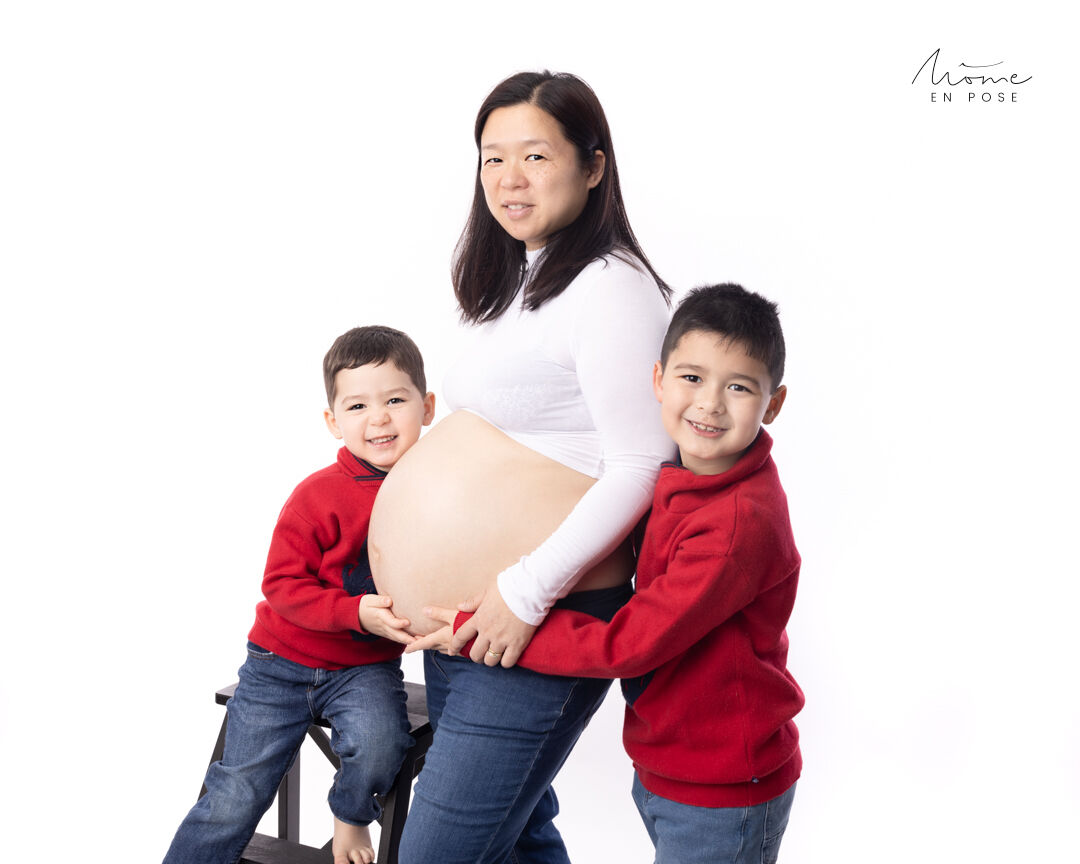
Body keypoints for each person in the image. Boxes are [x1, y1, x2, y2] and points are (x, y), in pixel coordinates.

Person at [378, 71, 674, 864]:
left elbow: (643, 463)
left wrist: (522, 589)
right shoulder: (512, 276)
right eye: (491, 158)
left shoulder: (612, 287)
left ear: (594, 166)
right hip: (469, 623)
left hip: (539, 618)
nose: (509, 179)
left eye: (536, 155)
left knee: (437, 853)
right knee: (512, 844)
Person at [423, 284, 805, 864]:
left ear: (772, 404)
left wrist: (505, 627)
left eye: (738, 387)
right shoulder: (683, 475)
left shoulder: (735, 526)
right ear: (657, 380)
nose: (709, 405)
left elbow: (630, 643)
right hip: (670, 762)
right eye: (692, 378)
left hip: (723, 785)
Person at [162, 326, 435, 864]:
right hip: (279, 663)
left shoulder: (437, 492)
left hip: (364, 669)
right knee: (236, 793)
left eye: (395, 400)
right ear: (334, 422)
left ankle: (352, 817)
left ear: (426, 407)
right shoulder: (318, 496)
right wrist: (355, 611)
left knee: (382, 745)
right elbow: (282, 586)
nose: (378, 418)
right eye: (357, 405)